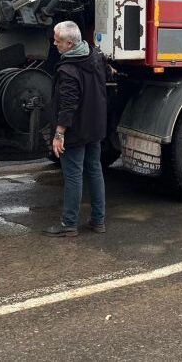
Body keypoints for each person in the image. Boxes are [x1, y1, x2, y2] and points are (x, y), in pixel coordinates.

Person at [43, 21, 108, 237]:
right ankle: (98, 221)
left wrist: (59, 133)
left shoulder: (68, 70)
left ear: (70, 43)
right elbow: (107, 74)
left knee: (73, 175)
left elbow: (67, 105)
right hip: (95, 126)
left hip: (76, 130)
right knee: (94, 170)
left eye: (58, 41)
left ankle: (69, 223)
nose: (55, 44)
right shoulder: (94, 56)